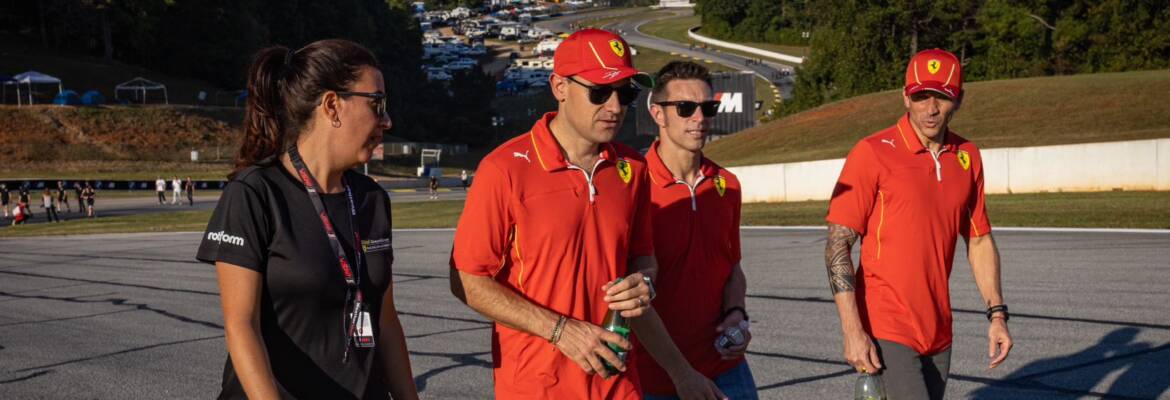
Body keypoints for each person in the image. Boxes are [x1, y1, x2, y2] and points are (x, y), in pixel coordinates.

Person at [449, 29, 679, 399]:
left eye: (627, 93)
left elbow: (643, 257)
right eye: (600, 92)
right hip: (538, 386)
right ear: (559, 87)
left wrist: (645, 283)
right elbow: (468, 281)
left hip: (619, 382)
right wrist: (561, 330)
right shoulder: (504, 169)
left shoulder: (633, 168)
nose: (616, 107)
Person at [195, 39, 417, 400]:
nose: (387, 121)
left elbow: (386, 321)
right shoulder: (254, 193)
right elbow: (241, 327)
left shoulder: (371, 199)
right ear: (332, 105)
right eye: (377, 104)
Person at [824, 49, 1013, 400]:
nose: (930, 108)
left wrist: (997, 314)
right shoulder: (872, 152)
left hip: (939, 328)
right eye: (921, 96)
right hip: (885, 324)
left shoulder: (966, 155)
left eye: (942, 96)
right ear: (905, 96)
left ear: (959, 99)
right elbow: (838, 244)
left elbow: (979, 239)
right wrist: (852, 330)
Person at [635, 61, 757, 400]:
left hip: (725, 367)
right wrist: (680, 374)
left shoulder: (727, 185)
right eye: (685, 108)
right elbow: (628, 293)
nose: (699, 118)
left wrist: (736, 314)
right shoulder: (632, 187)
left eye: (708, 107)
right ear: (658, 114)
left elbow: (732, 267)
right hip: (654, 377)